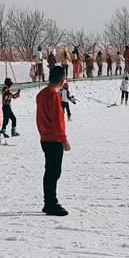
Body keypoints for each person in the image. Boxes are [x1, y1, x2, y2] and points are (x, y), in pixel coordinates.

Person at [36, 65, 70, 215]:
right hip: (54, 139)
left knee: (50, 171)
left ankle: (48, 202)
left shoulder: (41, 94)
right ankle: (50, 203)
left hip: (45, 137)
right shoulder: (53, 95)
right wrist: (64, 139)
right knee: (53, 172)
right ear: (62, 81)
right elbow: (57, 120)